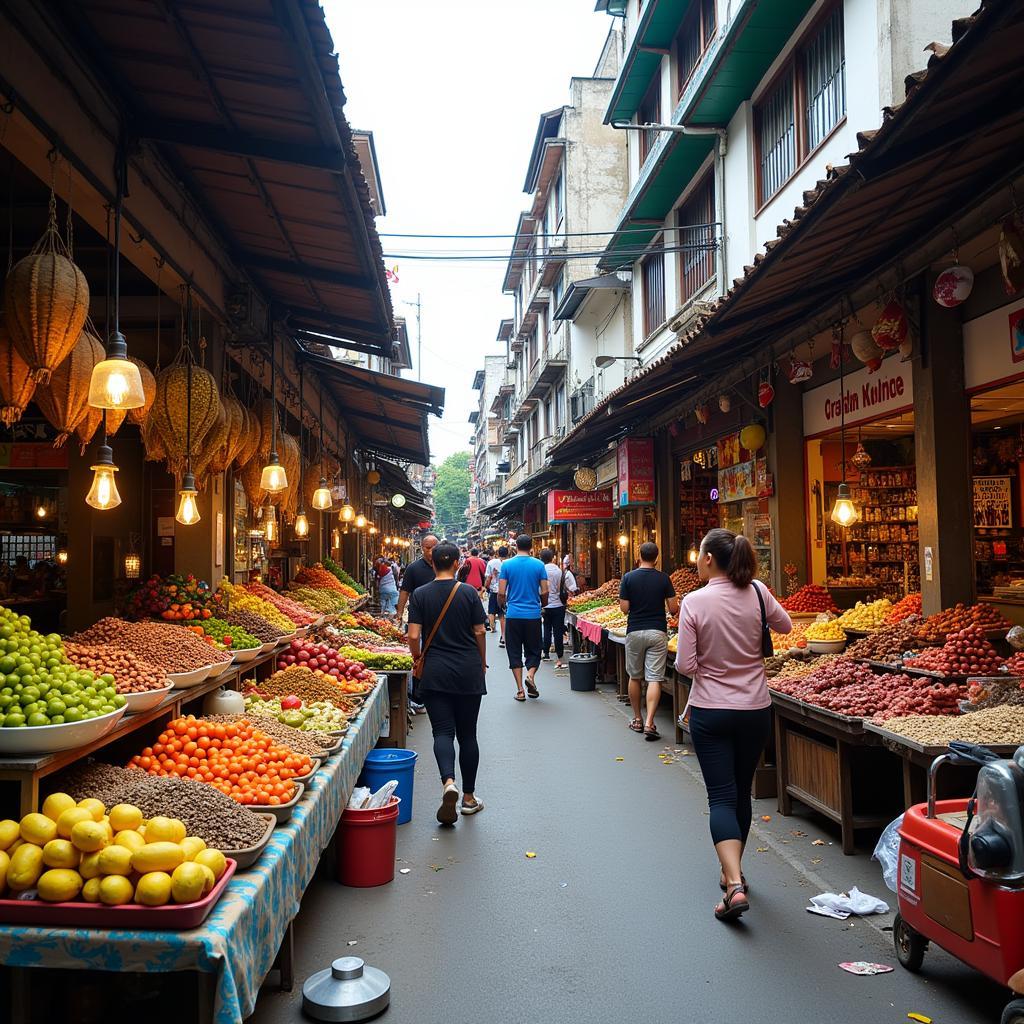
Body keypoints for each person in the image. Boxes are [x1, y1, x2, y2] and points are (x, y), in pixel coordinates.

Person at [675, 528, 791, 923]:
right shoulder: (757, 591)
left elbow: (685, 666)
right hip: (755, 709)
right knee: (742, 793)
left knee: (720, 797)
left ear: (709, 558)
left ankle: (734, 883)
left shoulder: (694, 602)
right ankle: (732, 874)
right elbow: (787, 627)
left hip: (711, 710)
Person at [407, 542, 488, 824]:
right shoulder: (468, 593)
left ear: (432, 564)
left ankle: (448, 782)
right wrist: (482, 661)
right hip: (467, 670)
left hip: (435, 672)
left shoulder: (420, 594)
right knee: (468, 735)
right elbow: (479, 630)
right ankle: (468, 798)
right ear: (456, 564)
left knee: (442, 732)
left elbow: (414, 635)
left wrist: (417, 658)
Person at [619, 542, 679, 742]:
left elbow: (624, 609)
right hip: (657, 631)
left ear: (639, 555)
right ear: (657, 558)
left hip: (634, 630)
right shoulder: (663, 579)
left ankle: (637, 718)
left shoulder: (628, 578)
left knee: (635, 676)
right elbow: (673, 608)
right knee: (655, 677)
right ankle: (650, 722)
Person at [498, 534, 548, 701]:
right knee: (534, 649)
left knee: (514, 651)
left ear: (516, 546)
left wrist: (503, 606)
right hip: (533, 615)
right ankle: (531, 676)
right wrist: (542, 604)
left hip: (513, 615)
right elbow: (545, 591)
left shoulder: (507, 565)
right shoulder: (539, 565)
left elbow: (501, 592)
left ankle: (520, 690)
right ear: (531, 546)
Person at [397, 535, 438, 715]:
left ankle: (437, 693)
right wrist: (399, 613)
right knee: (418, 658)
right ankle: (417, 697)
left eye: (433, 548)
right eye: (427, 548)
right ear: (421, 548)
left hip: (439, 620)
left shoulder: (443, 567)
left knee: (437, 657)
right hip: (417, 620)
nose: (430, 552)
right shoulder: (414, 568)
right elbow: (404, 591)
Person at [540, 548, 576, 668]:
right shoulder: (559, 571)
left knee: (546, 628)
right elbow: (564, 587)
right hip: (558, 604)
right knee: (558, 630)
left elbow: (540, 589)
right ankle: (560, 655)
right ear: (552, 558)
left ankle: (545, 653)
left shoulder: (541, 570)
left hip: (545, 604)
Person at [485, 546, 508, 644]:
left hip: (494, 591)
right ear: (508, 553)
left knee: (491, 611)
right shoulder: (510, 563)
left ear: (498, 553)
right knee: (502, 615)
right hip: (506, 592)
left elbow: (488, 578)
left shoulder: (491, 563)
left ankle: (492, 627)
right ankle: (503, 637)